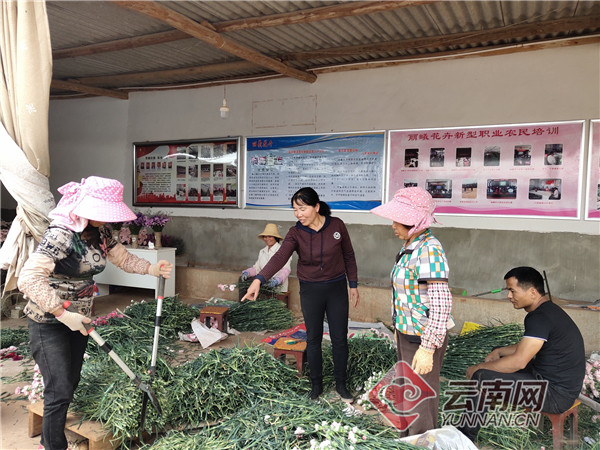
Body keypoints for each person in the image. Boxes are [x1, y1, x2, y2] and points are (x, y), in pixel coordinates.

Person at [17, 176, 173, 450]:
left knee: (71, 380)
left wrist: (152, 269)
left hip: (81, 321)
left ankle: (53, 431)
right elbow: (28, 279)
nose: (109, 220)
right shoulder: (61, 234)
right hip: (49, 320)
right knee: (59, 388)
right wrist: (62, 314)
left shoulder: (101, 234)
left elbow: (123, 259)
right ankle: (52, 445)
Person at [242, 187, 359, 402]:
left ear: (316, 207)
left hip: (336, 289)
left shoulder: (337, 225)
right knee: (313, 338)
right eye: (295, 209)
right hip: (310, 289)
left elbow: (348, 255)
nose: (298, 214)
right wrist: (259, 279)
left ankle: (341, 384)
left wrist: (353, 284)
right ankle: (316, 385)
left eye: (302, 209)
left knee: (339, 338)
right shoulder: (296, 233)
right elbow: (278, 258)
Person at [462, 266, 585, 441]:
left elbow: (519, 361)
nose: (508, 296)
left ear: (533, 292)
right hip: (552, 383)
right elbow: (527, 346)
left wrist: (478, 367)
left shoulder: (540, 317)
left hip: (555, 395)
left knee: (482, 378)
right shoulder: (548, 311)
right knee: (500, 358)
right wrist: (498, 351)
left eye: (512, 290)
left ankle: (464, 437)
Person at [370, 187, 454, 436]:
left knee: (421, 398)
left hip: (423, 337)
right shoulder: (411, 246)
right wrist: (398, 329)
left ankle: (422, 440)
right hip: (408, 334)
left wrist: (428, 348)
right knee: (409, 392)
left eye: (399, 220)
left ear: (415, 221)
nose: (393, 225)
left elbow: (441, 303)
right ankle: (408, 439)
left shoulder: (430, 249)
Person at [239, 223, 292, 300]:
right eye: (265, 237)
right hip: (264, 286)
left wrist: (277, 280)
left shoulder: (283, 251)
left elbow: (286, 270)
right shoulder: (262, 251)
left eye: (270, 236)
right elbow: (257, 268)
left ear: (276, 237)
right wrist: (247, 273)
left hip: (279, 289)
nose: (267, 239)